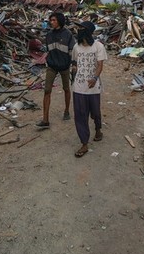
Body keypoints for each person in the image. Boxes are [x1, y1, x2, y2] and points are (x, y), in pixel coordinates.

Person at [70, 20, 107, 157]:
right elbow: (74, 61)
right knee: (80, 115)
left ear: (88, 31)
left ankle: (98, 129)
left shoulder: (98, 46)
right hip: (79, 87)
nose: (79, 30)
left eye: (81, 28)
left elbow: (99, 65)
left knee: (95, 112)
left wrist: (94, 78)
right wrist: (74, 69)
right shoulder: (76, 47)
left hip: (93, 86)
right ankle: (84, 143)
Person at [37, 12, 75, 129]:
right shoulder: (49, 35)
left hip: (64, 66)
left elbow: (72, 51)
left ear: (59, 21)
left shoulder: (68, 34)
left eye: (53, 20)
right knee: (47, 90)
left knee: (66, 89)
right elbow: (48, 50)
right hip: (52, 66)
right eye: (51, 20)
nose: (51, 22)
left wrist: (73, 65)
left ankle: (67, 111)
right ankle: (45, 119)